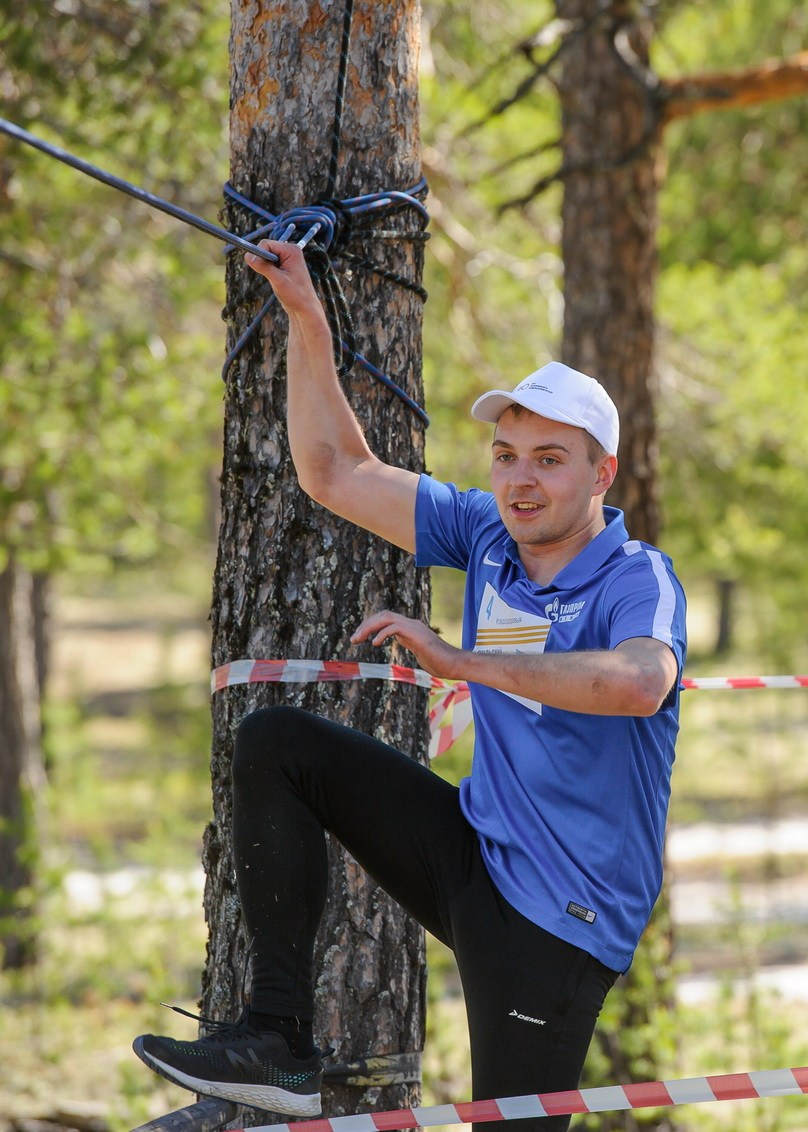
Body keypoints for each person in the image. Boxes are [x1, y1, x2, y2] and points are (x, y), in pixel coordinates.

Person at [134, 240, 686, 1132]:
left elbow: (639, 684)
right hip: (474, 854)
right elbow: (334, 472)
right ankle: (276, 1042)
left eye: (549, 459)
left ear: (601, 474)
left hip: (563, 915)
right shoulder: (488, 536)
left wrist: (464, 662)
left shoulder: (636, 577)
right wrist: (307, 318)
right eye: (507, 454)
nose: (519, 478)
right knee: (278, 741)